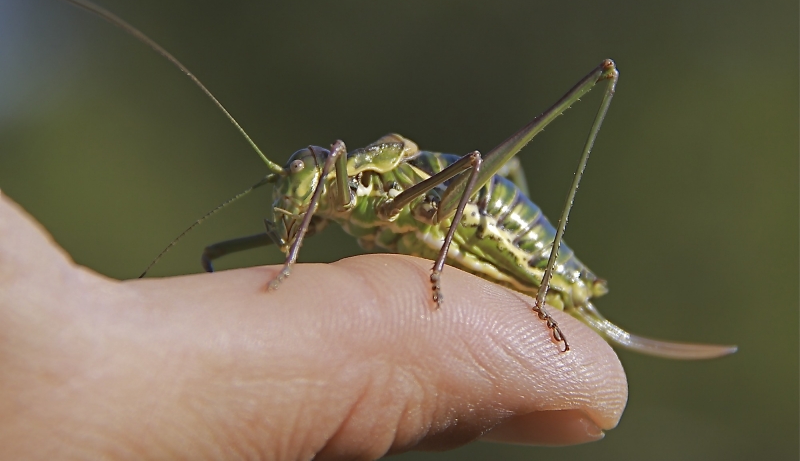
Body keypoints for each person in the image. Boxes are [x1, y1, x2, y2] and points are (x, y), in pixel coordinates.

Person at [0, 192, 626, 459]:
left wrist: (437, 275)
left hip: (470, 214)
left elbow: (465, 168)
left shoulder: (375, 188)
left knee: (476, 164)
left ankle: (548, 288)